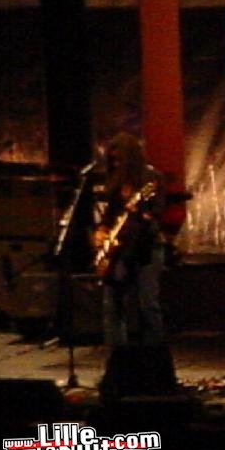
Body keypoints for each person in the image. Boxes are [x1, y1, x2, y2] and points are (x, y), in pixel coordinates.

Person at [93, 132, 166, 347]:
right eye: (112, 159)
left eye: (119, 159)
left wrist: (139, 212)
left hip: (146, 248)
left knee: (148, 304)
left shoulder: (151, 179)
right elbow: (110, 214)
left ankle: (155, 357)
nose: (116, 163)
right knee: (112, 305)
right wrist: (102, 230)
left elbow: (156, 213)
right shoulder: (116, 180)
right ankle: (116, 357)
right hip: (119, 250)